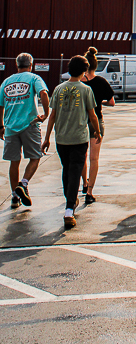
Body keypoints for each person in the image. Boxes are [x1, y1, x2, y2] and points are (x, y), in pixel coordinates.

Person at [41, 55, 101, 229]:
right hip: (79, 138)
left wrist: (46, 138)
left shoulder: (59, 89)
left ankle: (70, 200)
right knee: (75, 170)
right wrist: (97, 131)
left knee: (67, 169)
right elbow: (92, 114)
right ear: (84, 71)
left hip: (62, 138)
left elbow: (52, 116)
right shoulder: (85, 90)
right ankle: (69, 209)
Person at [0, 53, 49, 209]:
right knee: (35, 157)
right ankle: (24, 183)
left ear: (17, 65)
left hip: (10, 126)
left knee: (14, 162)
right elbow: (43, 93)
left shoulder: (6, 82)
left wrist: (1, 126)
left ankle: (15, 197)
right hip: (29, 124)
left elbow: (0, 105)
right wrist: (45, 114)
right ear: (31, 64)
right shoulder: (34, 78)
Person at [80, 46, 115, 204]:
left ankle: (83, 182)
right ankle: (90, 191)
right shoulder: (101, 81)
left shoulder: (79, 82)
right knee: (94, 158)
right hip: (97, 120)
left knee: (82, 156)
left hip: (80, 121)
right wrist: (99, 101)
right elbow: (112, 102)